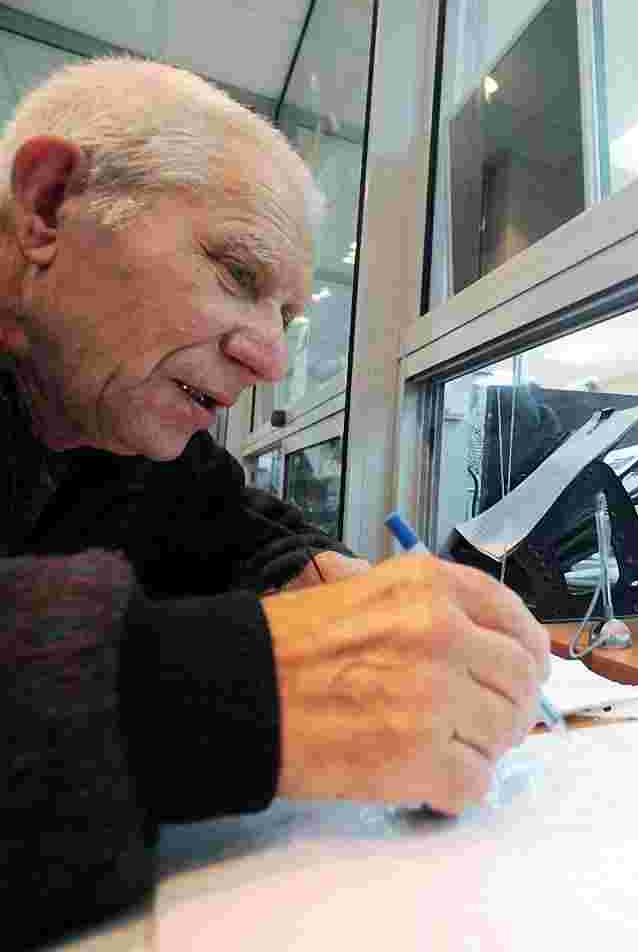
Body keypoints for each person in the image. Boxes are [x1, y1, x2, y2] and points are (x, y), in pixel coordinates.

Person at [0, 58, 549, 948]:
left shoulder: (107, 422)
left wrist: (321, 578)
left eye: (286, 315)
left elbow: (234, 520)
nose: (270, 360)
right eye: (235, 272)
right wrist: (241, 691)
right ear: (49, 205)